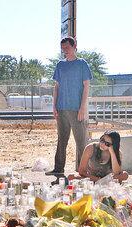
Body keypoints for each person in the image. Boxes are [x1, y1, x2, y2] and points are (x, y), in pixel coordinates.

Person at [46, 36, 92, 176]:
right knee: (62, 140)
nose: (65, 50)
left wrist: (82, 107)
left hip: (77, 108)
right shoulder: (60, 65)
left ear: (74, 46)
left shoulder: (82, 64)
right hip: (61, 108)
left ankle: (83, 170)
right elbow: (56, 86)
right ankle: (58, 168)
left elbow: (86, 86)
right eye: (63, 48)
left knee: (81, 141)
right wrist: (54, 106)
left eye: (67, 47)